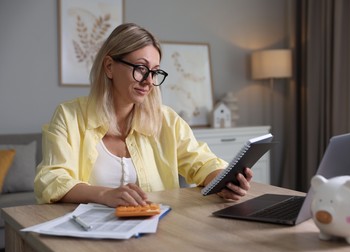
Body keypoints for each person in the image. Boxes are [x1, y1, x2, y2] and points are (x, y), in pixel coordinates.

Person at [34, 23, 253, 208]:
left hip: (155, 232)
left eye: (155, 71)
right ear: (109, 67)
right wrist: (103, 194)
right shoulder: (69, 116)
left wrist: (224, 181)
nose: (149, 81)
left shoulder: (167, 120)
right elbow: (52, 180)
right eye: (140, 68)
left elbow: (201, 162)